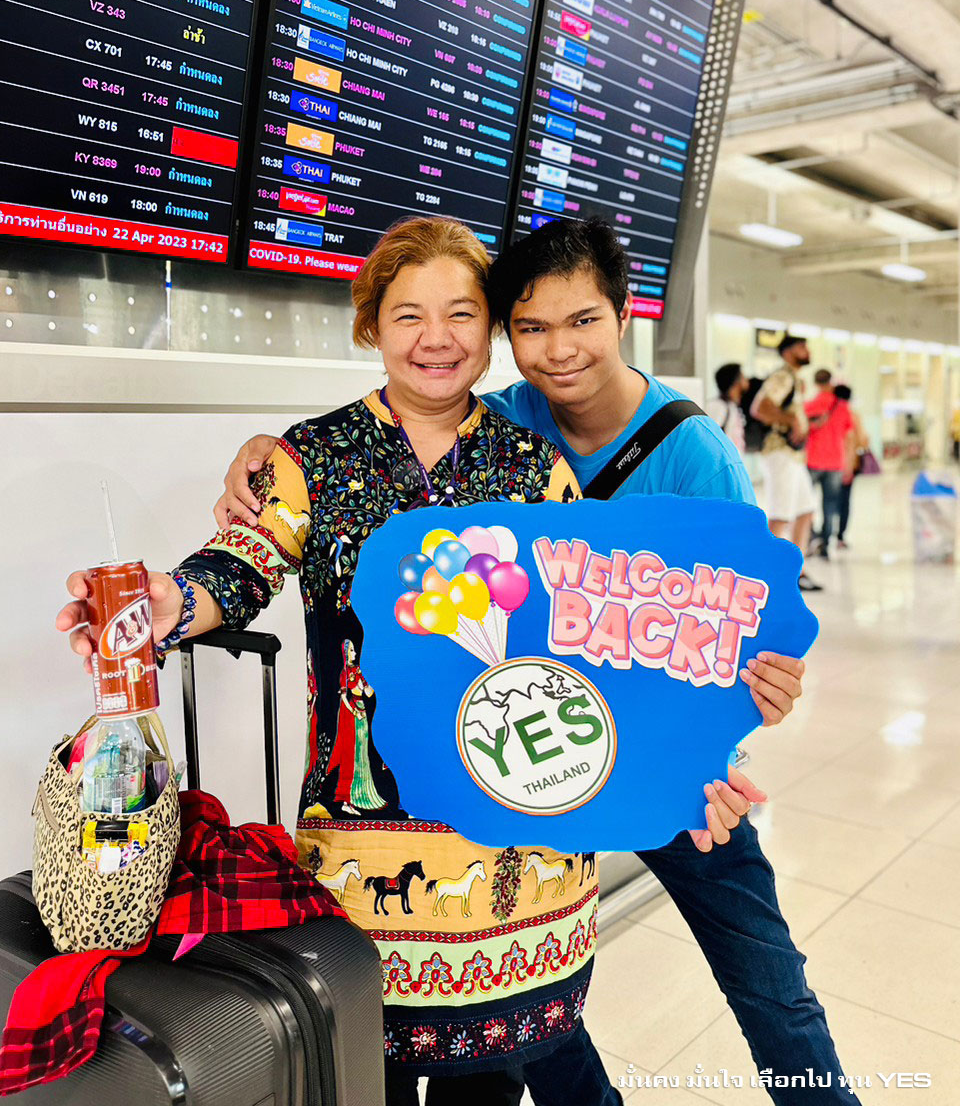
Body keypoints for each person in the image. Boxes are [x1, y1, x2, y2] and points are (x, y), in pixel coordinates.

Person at [56, 217, 758, 1106]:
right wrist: (170, 604)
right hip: (363, 851)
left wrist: (691, 761)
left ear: (489, 329)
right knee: (367, 1079)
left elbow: (594, 653)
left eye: (461, 314)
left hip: (519, 861)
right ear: (371, 326)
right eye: (408, 315)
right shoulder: (311, 457)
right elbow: (241, 565)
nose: (437, 338)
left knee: (491, 1090)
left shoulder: (536, 468)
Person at [217, 216, 859, 1105]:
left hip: (666, 769)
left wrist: (753, 711)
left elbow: (741, 644)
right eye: (532, 327)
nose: (559, 350)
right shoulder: (510, 421)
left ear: (623, 316)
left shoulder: (694, 457)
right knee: (528, 1002)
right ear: (505, 335)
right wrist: (264, 456)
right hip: (542, 761)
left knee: (768, 984)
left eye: (583, 320)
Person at [750, 336, 822, 591]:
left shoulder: (793, 378)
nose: (807, 351)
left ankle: (795, 571)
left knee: (806, 510)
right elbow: (760, 408)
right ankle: (769, 574)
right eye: (802, 347)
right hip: (779, 452)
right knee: (781, 514)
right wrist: (791, 421)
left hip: (793, 455)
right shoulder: (782, 376)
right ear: (788, 352)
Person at [805, 370, 853, 559]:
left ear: (815, 383)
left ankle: (811, 539)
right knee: (830, 505)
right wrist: (848, 463)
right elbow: (849, 437)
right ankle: (825, 544)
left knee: (806, 504)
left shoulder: (810, 404)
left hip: (812, 461)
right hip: (835, 463)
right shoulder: (842, 406)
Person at [835, 384, 868, 549]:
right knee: (844, 501)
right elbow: (863, 440)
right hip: (848, 464)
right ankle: (840, 536)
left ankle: (822, 536)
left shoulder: (827, 413)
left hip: (826, 464)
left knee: (827, 501)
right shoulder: (853, 415)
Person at [706, 362, 749, 452]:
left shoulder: (731, 407)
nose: (747, 380)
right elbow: (708, 437)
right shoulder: (718, 406)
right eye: (743, 377)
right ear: (736, 382)